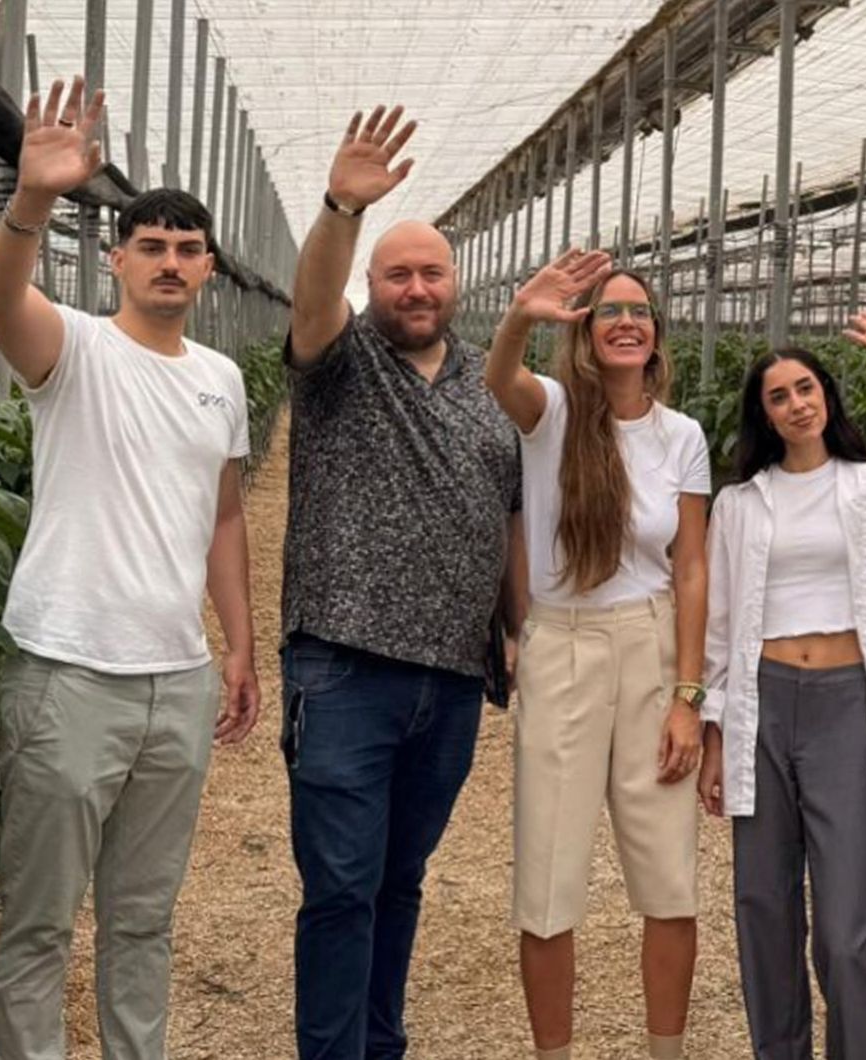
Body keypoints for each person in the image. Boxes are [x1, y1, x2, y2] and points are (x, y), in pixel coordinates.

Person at [0, 76, 259, 1060]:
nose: (170, 262)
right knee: (41, 921)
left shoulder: (222, 380)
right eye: (152, 246)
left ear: (208, 268)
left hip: (175, 680)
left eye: (187, 249)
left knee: (143, 919)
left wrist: (238, 646)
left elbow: (224, 515)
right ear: (117, 258)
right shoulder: (77, 349)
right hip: (68, 673)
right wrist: (32, 197)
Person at [281, 105, 523, 1060]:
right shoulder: (341, 365)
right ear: (371, 286)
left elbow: (505, 518)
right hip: (345, 668)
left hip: (452, 682)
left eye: (431, 273)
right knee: (341, 887)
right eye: (398, 274)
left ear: (456, 283)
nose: (417, 288)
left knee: (399, 880)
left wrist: (515, 630)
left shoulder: (488, 389)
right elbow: (312, 301)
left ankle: (381, 1044)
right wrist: (342, 209)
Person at [698, 312, 866, 1059]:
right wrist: (715, 733)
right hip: (762, 703)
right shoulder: (739, 504)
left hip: (847, 705)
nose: (796, 404)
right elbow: (720, 624)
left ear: (827, 396)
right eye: (779, 396)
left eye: (806, 388)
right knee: (763, 903)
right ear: (764, 415)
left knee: (847, 927)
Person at [485, 250, 709, 1060]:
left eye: (638, 311)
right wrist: (522, 313)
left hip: (651, 644)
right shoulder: (551, 414)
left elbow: (691, 568)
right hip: (565, 644)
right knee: (547, 880)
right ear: (583, 333)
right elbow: (499, 376)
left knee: (668, 876)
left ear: (656, 335)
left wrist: (689, 695)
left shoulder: (682, 435)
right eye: (608, 310)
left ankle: (666, 1052)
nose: (625, 322)